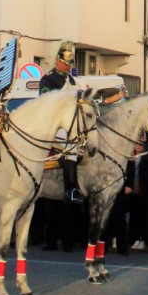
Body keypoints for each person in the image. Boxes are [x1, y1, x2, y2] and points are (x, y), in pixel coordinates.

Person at [39, 40, 82, 203]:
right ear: (57, 61)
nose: (67, 66)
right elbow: (46, 102)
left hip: (73, 123)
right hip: (55, 125)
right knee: (71, 145)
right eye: (65, 63)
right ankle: (70, 189)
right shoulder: (48, 79)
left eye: (69, 64)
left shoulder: (73, 80)